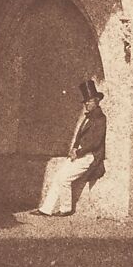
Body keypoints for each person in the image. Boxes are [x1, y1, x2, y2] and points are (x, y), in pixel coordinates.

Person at [32, 79, 107, 217]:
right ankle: (46, 209)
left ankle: (66, 209)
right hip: (79, 154)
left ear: (97, 101)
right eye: (85, 102)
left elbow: (95, 143)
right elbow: (79, 138)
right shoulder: (88, 118)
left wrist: (78, 152)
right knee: (57, 177)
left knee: (64, 179)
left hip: (89, 156)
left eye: (89, 101)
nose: (86, 104)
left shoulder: (100, 119)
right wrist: (73, 150)